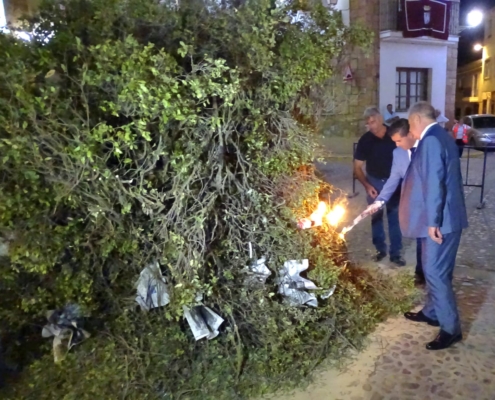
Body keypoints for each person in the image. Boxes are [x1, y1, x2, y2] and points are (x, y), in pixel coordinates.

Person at [400, 101, 468, 351]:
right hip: (450, 218)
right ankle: (432, 312)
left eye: (409, 124)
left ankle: (451, 329)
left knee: (435, 272)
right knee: (437, 270)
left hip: (441, 222)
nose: (410, 129)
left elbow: (434, 183)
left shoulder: (430, 140)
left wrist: (432, 222)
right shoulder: (443, 135)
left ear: (416, 119)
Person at [364, 119, 425, 284]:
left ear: (410, 135)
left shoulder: (426, 148)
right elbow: (393, 179)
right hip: (414, 201)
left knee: (427, 240)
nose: (396, 145)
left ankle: (426, 272)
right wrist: (379, 201)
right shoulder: (397, 153)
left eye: (399, 140)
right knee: (421, 236)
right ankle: (421, 273)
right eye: (394, 142)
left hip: (429, 201)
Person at [354, 107, 405, 266]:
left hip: (394, 183)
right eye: (368, 123)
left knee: (394, 217)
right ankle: (379, 250)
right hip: (374, 181)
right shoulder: (365, 140)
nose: (372, 126)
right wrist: (367, 185)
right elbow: (357, 167)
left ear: (381, 119)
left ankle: (396, 254)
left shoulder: (394, 136)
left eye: (374, 121)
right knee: (375, 217)